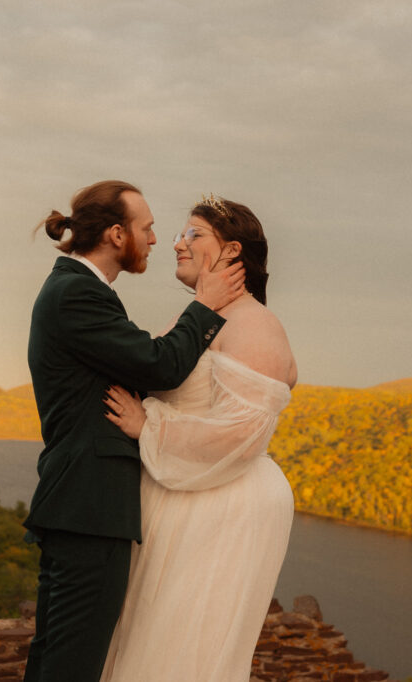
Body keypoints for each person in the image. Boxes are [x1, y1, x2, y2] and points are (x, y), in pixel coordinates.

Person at [23, 181, 246, 682]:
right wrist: (206, 305)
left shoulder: (77, 291)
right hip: (91, 507)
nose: (155, 240)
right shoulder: (75, 293)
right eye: (146, 229)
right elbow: (158, 364)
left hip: (78, 504)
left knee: (54, 658)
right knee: (73, 666)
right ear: (116, 233)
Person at [99, 195, 297, 682]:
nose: (177, 244)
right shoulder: (204, 315)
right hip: (179, 497)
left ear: (231, 252)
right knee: (149, 635)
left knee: (180, 647)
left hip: (217, 508)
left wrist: (148, 426)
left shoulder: (255, 325)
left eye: (193, 234)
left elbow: (239, 434)